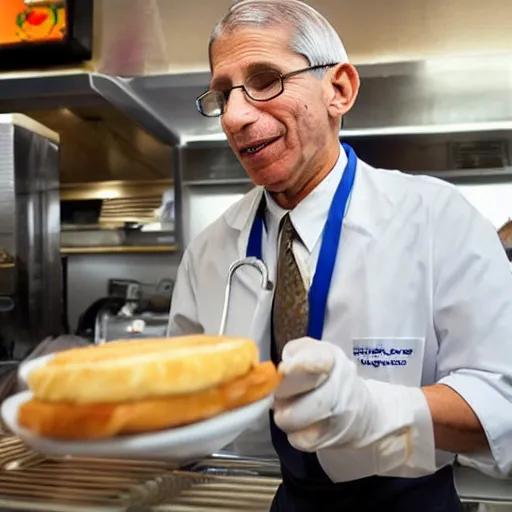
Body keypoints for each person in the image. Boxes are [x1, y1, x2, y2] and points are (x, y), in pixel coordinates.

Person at [167, 0, 512, 509]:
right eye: (222, 94)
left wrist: (376, 411)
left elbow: (502, 396)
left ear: (339, 89)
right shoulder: (210, 251)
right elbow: (180, 401)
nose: (235, 117)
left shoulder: (436, 216)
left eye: (265, 80)